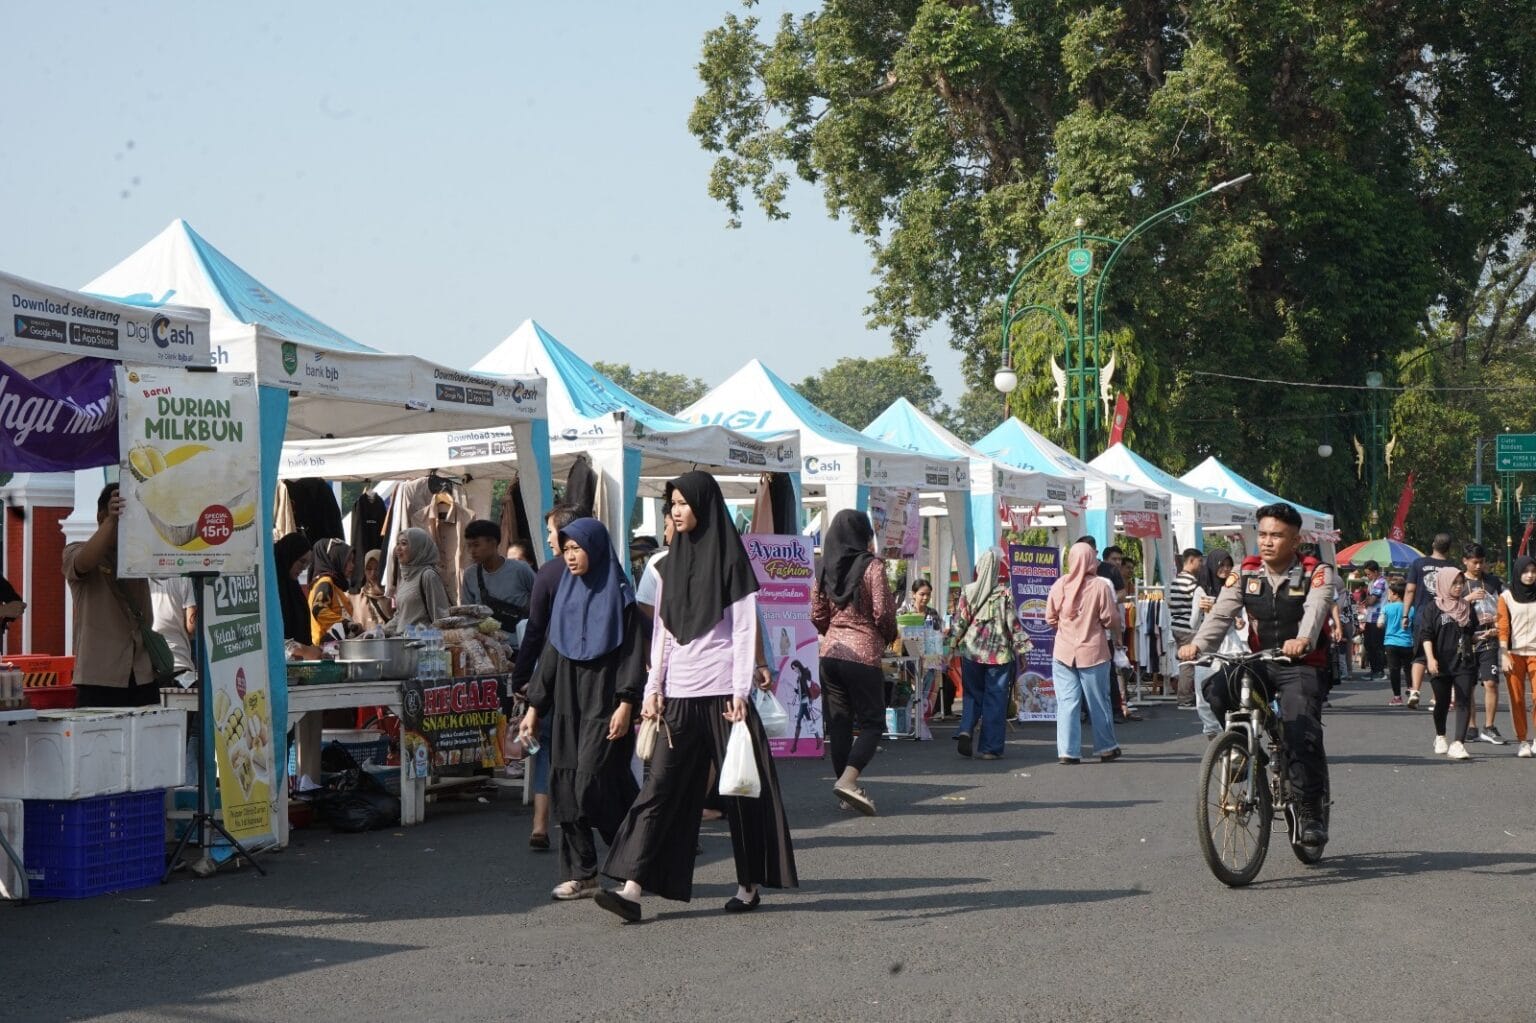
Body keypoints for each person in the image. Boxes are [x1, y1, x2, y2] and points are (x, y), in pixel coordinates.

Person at [599, 471, 797, 922]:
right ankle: (631, 888)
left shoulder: (732, 562)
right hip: (678, 697)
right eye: (672, 503)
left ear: (704, 506)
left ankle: (748, 884)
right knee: (659, 788)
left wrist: (741, 687)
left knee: (741, 792)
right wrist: (653, 690)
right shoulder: (666, 567)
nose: (675, 510)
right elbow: (662, 635)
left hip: (726, 697)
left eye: (684, 503)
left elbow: (745, 629)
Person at [1180, 502, 1337, 848]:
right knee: (1217, 688)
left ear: (1295, 541)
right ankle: (1248, 747)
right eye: (1263, 534)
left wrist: (1304, 640)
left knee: (1300, 730)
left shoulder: (1316, 572)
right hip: (1261, 659)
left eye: (1276, 536)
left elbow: (1316, 609)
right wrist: (1198, 645)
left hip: (1303, 663)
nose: (1267, 542)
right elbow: (1221, 614)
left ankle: (1310, 810)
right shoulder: (1245, 572)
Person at [519, 518, 643, 901]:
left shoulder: (620, 598)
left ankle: (632, 863)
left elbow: (632, 655)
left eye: (578, 548)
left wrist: (626, 703)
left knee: (594, 784)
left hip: (605, 704)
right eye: (566, 549)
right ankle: (583, 873)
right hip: (569, 703)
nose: (571, 557)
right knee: (566, 789)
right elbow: (552, 654)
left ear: (597, 548)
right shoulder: (567, 597)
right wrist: (534, 708)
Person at [811, 508, 897, 814]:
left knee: (840, 724)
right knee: (873, 723)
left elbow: (816, 614)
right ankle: (849, 781)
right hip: (862, 654)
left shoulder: (824, 568)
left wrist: (834, 633)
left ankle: (842, 790)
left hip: (830, 655)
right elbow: (884, 612)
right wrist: (886, 635)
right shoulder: (872, 566)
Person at [510, 504, 583, 851]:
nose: (550, 539)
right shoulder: (609, 571)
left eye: (552, 532)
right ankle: (574, 820)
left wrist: (522, 677)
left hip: (553, 675)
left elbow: (535, 631)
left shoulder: (550, 573)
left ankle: (541, 824)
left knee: (547, 747)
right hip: (588, 680)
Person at [64, 483, 157, 707]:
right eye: (118, 517)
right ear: (100, 517)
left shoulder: (138, 558)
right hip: (100, 676)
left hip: (142, 673)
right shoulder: (75, 550)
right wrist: (112, 521)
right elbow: (84, 562)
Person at [949, 550, 1030, 760]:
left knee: (972, 695)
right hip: (999, 656)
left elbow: (960, 621)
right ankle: (989, 749)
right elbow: (1012, 623)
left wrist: (950, 645)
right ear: (995, 570)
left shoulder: (968, 591)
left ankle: (966, 728)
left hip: (971, 653)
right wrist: (1022, 650)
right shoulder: (1004, 593)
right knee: (995, 700)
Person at [1046, 541, 1120, 765]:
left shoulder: (1059, 585)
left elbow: (1050, 618)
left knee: (1067, 703)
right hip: (1094, 652)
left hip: (1063, 653)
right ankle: (1106, 748)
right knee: (1099, 702)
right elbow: (1110, 619)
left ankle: (1068, 751)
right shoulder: (1100, 586)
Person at [1418, 569, 1477, 760]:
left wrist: (1484, 634)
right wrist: (1430, 659)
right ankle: (1440, 735)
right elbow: (1426, 635)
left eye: (1461, 583)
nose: (1459, 587)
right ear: (1444, 583)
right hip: (1440, 662)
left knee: (1463, 701)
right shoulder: (1433, 608)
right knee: (1442, 703)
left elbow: (1471, 633)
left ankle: (1458, 743)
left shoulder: (1467, 607)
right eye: (1454, 583)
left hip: (1464, 661)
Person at [1403, 533, 1456, 708]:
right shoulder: (1452, 567)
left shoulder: (1418, 564)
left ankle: (1415, 690)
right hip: (1445, 617)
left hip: (1421, 615)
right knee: (1439, 655)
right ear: (1449, 548)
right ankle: (1436, 697)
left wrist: (1405, 615)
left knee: (1419, 656)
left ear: (1433, 544)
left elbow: (1410, 590)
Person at [1462, 544, 1506, 745]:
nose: (1479, 566)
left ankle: (1489, 726)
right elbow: (1447, 606)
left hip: (1490, 637)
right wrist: (1468, 599)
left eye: (1482, 562)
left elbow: (1505, 605)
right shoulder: (1458, 581)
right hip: (1466, 639)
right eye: (1474, 562)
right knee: (1468, 685)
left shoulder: (1493, 581)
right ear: (1465, 561)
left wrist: (1498, 624)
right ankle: (1471, 727)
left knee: (1491, 682)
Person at [461, 519, 535, 633]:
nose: (472, 551)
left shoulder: (521, 569)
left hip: (521, 643)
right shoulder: (470, 575)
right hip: (489, 646)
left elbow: (542, 598)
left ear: (493, 543)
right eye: (469, 546)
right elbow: (467, 614)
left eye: (476, 545)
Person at [1498, 557, 1536, 757]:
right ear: (1518, 572)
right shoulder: (1506, 597)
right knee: (1517, 699)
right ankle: (1522, 740)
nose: (1530, 575)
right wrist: (1504, 654)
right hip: (1514, 653)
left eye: (1533, 571)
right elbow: (1503, 627)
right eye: (1525, 571)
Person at [385, 527, 450, 635]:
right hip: (403, 644)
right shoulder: (405, 577)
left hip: (422, 646)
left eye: (404, 544)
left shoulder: (428, 575)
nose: (398, 548)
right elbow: (400, 616)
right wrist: (380, 631)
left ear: (418, 547)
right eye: (398, 544)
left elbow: (440, 617)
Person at [274, 533, 324, 661]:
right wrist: (304, 650)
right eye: (301, 561)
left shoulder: (292, 587)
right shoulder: (272, 588)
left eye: (307, 564)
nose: (303, 568)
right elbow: (271, 636)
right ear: (289, 556)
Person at [1167, 548, 1205, 708]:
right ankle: (1185, 699)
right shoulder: (1191, 583)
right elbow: (1197, 609)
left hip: (1176, 626)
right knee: (1189, 663)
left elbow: (1171, 604)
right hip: (1188, 628)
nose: (1201, 565)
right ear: (1191, 561)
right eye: (1199, 561)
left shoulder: (1176, 581)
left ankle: (1185, 697)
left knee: (1185, 662)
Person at [308, 538, 359, 645]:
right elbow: (318, 610)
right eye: (348, 560)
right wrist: (346, 624)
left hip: (333, 647)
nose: (352, 566)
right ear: (335, 559)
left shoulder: (333, 585)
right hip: (326, 649)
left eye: (352, 561)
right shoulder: (325, 582)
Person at [149, 576, 197, 686]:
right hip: (179, 662)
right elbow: (191, 626)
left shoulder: (141, 576)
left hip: (151, 665)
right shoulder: (184, 576)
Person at [1381, 579, 1414, 706]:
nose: (1388, 595)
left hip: (1391, 643)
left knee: (1394, 670)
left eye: (1389, 593)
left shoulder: (1387, 608)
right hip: (1407, 643)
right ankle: (1411, 690)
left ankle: (1397, 697)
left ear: (1395, 594)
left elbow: (1380, 623)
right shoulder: (1411, 609)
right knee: (1408, 669)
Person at [353, 549, 392, 632]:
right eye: (369, 569)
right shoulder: (356, 597)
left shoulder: (392, 594)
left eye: (377, 569)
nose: (373, 573)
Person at [1360, 561, 1387, 679]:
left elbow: (1371, 601)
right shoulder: (1373, 583)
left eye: (1369, 574)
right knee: (1368, 644)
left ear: (1375, 572)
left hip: (1378, 617)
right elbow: (1368, 600)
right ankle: (1374, 669)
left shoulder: (1380, 582)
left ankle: (1380, 671)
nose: (1368, 576)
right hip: (1370, 617)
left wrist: (1367, 601)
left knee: (1377, 645)